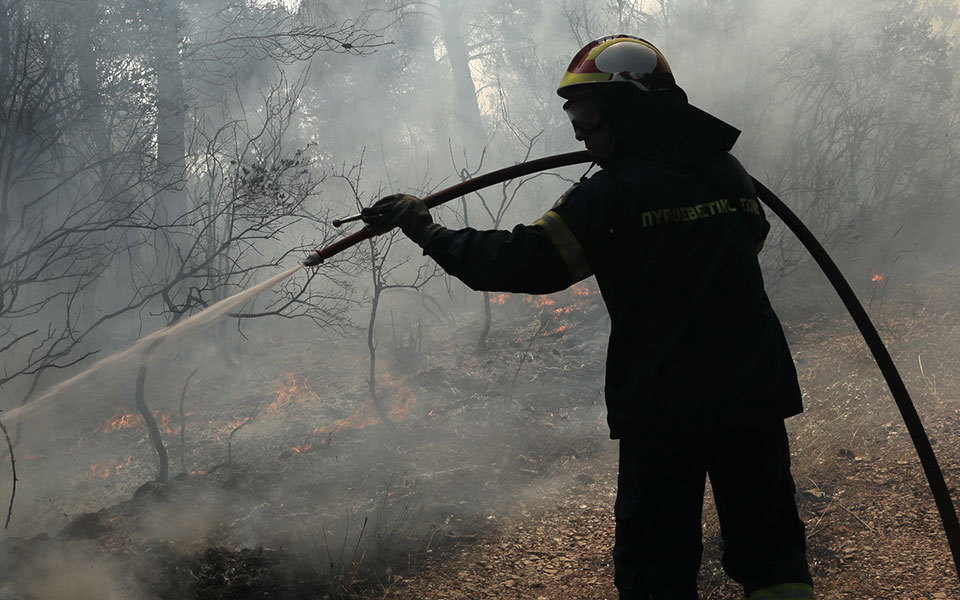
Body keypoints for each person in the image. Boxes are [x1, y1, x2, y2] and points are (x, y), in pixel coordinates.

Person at [361, 35, 814, 600]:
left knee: (655, 569)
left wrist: (425, 228)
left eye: (587, 115)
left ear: (629, 109)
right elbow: (752, 238)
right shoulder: (726, 172)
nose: (579, 133)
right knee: (772, 554)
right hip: (753, 392)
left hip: (663, 405)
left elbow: (523, 262)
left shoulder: (610, 195)